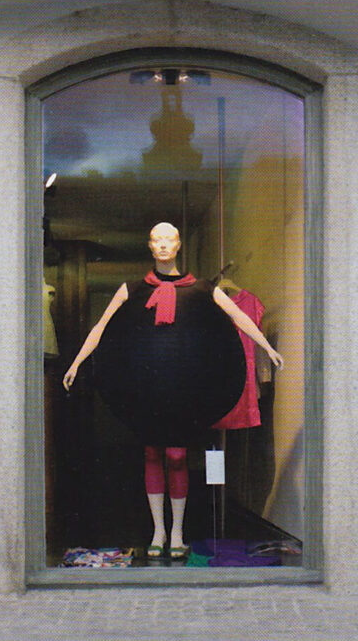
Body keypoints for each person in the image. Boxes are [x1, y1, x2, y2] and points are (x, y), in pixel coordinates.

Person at [63, 222, 283, 560]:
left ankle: (177, 531)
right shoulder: (131, 289)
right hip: (146, 390)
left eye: (169, 239)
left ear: (178, 245)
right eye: (156, 240)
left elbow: (238, 316)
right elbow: (102, 326)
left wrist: (266, 346)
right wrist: (77, 362)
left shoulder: (203, 289)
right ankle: (158, 530)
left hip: (183, 390)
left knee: (177, 457)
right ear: (150, 246)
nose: (163, 245)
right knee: (151, 454)